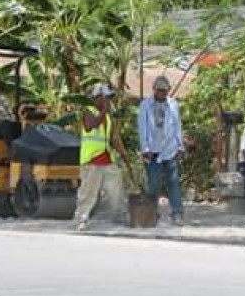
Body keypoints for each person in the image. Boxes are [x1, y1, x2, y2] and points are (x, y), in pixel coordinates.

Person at [75, 84, 130, 232]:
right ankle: (82, 218)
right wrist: (105, 109)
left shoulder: (107, 118)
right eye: (107, 98)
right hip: (91, 160)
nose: (109, 101)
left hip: (106, 159)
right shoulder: (88, 111)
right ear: (98, 97)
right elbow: (91, 125)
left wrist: (123, 153)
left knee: (116, 188)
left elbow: (113, 138)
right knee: (88, 191)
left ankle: (119, 215)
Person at [138, 75, 185, 225]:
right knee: (154, 183)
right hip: (153, 149)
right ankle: (153, 213)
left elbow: (177, 126)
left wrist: (180, 146)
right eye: (160, 91)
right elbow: (142, 128)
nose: (163, 94)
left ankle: (176, 212)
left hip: (170, 148)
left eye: (165, 91)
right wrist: (144, 147)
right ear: (154, 90)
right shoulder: (145, 105)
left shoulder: (173, 105)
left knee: (173, 181)